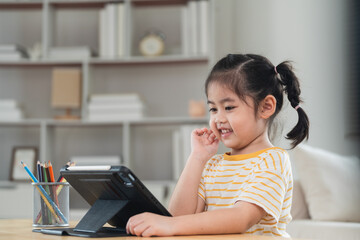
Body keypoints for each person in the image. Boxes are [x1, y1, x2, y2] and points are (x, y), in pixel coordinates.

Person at [126, 54, 309, 237]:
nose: (218, 119)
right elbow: (177, 216)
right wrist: (197, 158)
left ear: (266, 107)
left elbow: (241, 218)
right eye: (213, 109)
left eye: (229, 107)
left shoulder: (272, 160)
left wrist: (169, 225)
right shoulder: (213, 165)